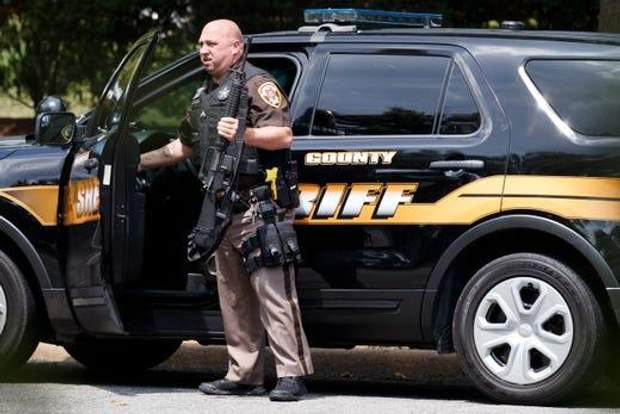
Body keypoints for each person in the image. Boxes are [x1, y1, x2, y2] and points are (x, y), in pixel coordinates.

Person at [139, 19, 313, 401]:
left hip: (259, 208)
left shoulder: (256, 84)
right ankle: (244, 374)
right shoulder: (204, 95)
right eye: (201, 43)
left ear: (236, 48)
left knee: (274, 296)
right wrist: (135, 161)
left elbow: (283, 135)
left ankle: (291, 375)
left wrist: (244, 134)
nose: (204, 50)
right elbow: (182, 147)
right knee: (234, 298)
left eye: (212, 44)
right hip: (221, 210)